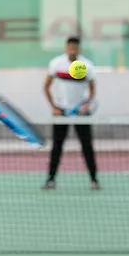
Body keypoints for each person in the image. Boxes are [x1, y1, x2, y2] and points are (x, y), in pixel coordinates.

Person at [42, 36, 100, 191]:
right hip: (61, 112)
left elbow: (92, 89)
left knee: (87, 146)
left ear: (79, 49)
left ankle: (94, 180)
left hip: (81, 114)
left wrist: (86, 105)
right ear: (66, 48)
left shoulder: (87, 66)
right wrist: (54, 107)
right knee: (57, 147)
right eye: (70, 47)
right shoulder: (56, 64)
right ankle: (51, 180)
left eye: (75, 47)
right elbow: (46, 87)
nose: (72, 50)